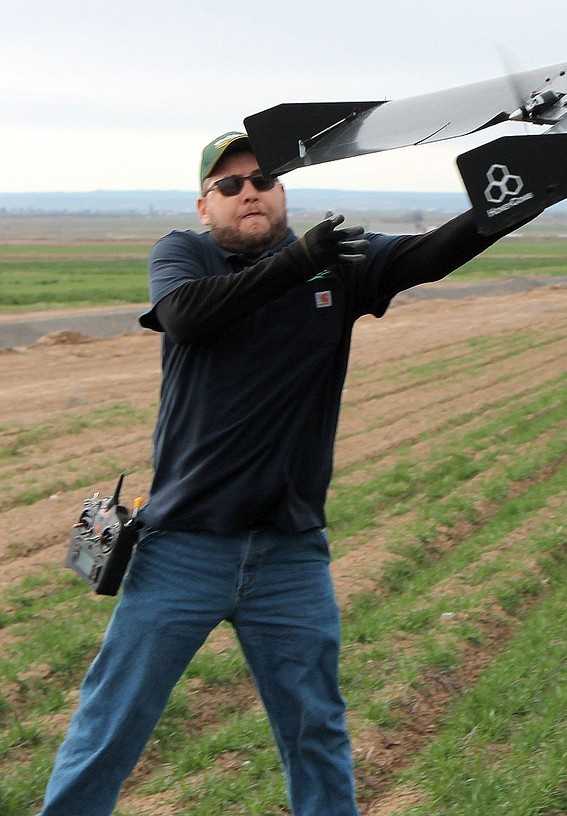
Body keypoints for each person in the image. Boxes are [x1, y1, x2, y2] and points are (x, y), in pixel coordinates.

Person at [37, 131, 534, 816]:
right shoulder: (184, 254)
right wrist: (298, 260)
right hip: (183, 544)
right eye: (230, 185)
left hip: (289, 554)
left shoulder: (339, 265)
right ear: (204, 203)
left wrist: (521, 191)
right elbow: (185, 317)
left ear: (283, 192)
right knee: (112, 722)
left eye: (264, 179)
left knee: (316, 730)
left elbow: (434, 253)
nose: (250, 192)